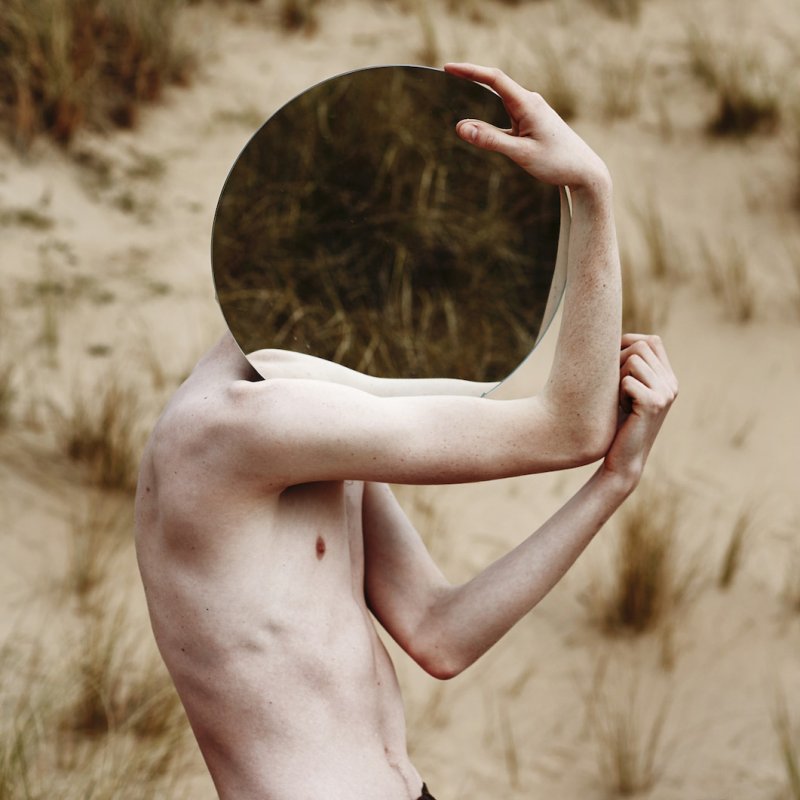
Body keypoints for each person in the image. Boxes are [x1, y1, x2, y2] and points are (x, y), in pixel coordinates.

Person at [134, 62, 678, 800]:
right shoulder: (241, 426)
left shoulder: (315, 405)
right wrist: (592, 192)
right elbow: (569, 427)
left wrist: (615, 482)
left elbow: (438, 633)